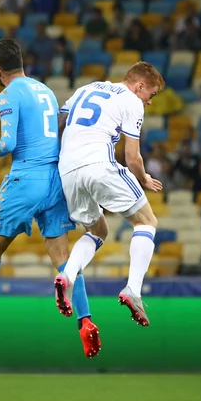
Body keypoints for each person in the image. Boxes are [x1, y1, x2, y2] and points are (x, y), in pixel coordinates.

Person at [0, 39, 100, 359]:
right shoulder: (44, 89)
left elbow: (8, 141)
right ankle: (84, 320)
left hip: (27, 177)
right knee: (63, 258)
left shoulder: (8, 94)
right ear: (22, 62)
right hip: (55, 178)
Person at [56, 61, 165, 327]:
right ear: (139, 86)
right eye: (150, 94)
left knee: (97, 231)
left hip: (68, 169)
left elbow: (61, 120)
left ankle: (67, 276)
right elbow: (132, 157)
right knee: (147, 221)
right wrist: (144, 178)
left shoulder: (88, 87)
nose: (149, 102)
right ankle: (134, 290)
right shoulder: (132, 101)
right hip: (99, 163)